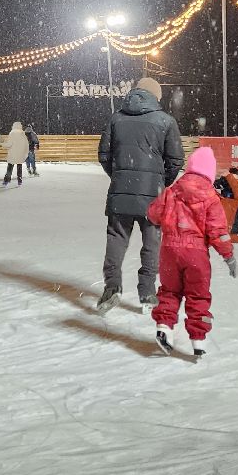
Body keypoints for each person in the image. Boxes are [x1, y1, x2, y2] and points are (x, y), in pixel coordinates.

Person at [96, 77, 184, 312]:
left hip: (120, 192)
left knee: (116, 238)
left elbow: (104, 154)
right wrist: (160, 181)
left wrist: (120, 176)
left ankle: (111, 288)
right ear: (156, 96)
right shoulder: (165, 121)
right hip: (152, 195)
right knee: (152, 242)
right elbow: (175, 160)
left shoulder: (117, 118)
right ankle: (146, 292)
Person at [147, 145, 237, 357]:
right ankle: (198, 340)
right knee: (198, 295)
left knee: (169, 291)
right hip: (196, 255)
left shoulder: (172, 191)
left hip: (169, 251)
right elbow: (218, 232)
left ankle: (164, 327)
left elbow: (152, 213)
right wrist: (228, 256)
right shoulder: (211, 197)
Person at [0, 121, 30, 186]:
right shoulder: (23, 133)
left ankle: (7, 180)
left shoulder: (12, 133)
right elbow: (26, 144)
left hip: (13, 153)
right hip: (20, 154)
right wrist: (26, 153)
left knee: (10, 167)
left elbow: (9, 144)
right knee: (19, 166)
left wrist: (2, 144)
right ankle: (19, 180)